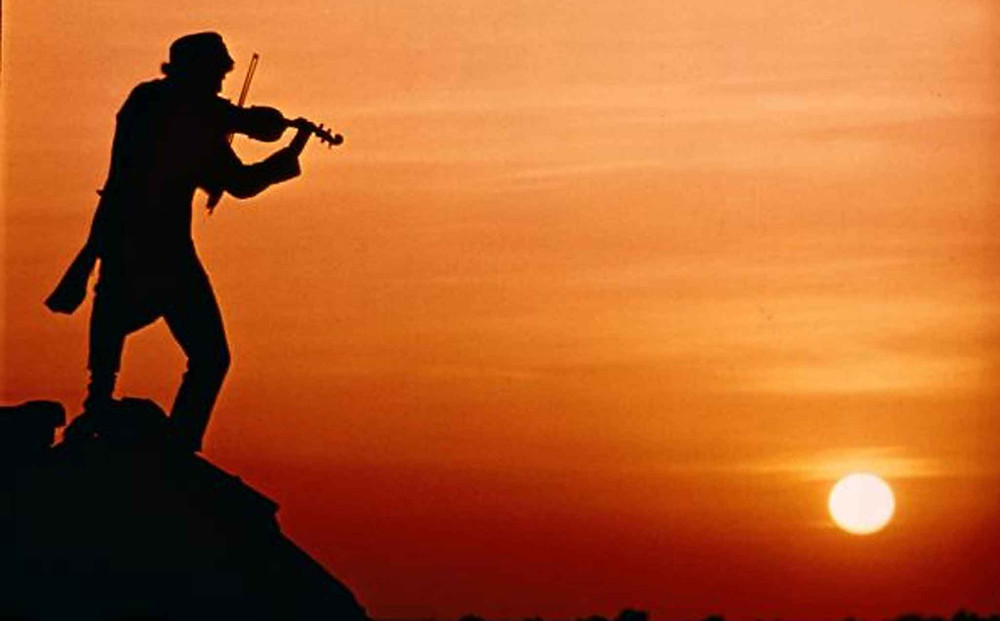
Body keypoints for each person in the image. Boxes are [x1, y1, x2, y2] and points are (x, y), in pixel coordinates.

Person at [55, 32, 317, 452]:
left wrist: (289, 151)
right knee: (203, 354)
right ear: (194, 70)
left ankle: (160, 438)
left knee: (163, 338)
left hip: (139, 240)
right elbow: (224, 142)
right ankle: (154, 436)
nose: (220, 86)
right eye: (216, 73)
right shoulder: (156, 104)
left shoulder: (194, 122)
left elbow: (240, 183)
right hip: (151, 244)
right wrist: (261, 133)